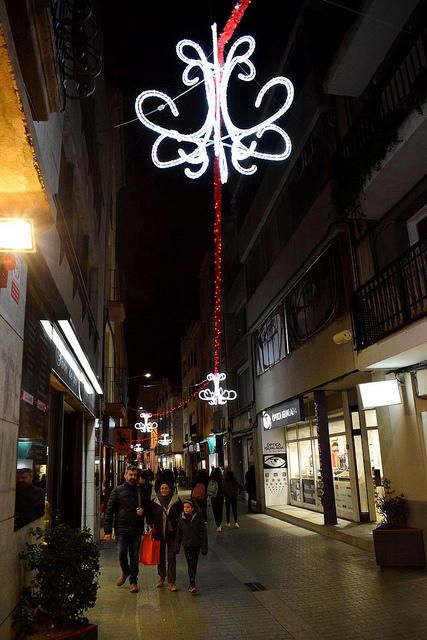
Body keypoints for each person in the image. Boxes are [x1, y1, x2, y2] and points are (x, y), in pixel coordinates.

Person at [103, 464, 148, 593]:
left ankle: (133, 581)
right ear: (125, 475)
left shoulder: (141, 490)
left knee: (134, 556)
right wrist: (107, 531)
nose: (133, 477)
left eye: (134, 475)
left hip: (136, 529)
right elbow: (109, 511)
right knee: (121, 553)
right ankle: (125, 571)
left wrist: (143, 511)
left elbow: (148, 507)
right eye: (130, 475)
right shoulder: (117, 491)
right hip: (121, 529)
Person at [148, 481, 182, 592]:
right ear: (159, 489)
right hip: (159, 533)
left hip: (172, 533)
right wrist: (150, 526)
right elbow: (150, 516)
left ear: (170, 489)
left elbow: (182, 515)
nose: (164, 490)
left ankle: (172, 581)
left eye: (166, 488)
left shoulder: (176, 501)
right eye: (162, 488)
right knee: (160, 557)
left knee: (171, 557)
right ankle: (161, 577)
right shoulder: (154, 501)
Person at [174, 498, 208, 594]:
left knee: (194, 563)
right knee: (190, 563)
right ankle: (192, 584)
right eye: (184, 507)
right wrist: (177, 547)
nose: (186, 509)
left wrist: (204, 547)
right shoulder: (181, 519)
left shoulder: (199, 518)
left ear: (192, 508)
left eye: (188, 507)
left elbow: (203, 533)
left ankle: (192, 583)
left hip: (196, 544)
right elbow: (179, 534)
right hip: (186, 545)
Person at [208, 467, 224, 532]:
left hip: (214, 497)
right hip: (220, 497)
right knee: (220, 510)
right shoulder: (222, 480)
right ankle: (220, 524)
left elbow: (209, 490)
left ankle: (218, 524)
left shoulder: (212, 480)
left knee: (215, 511)